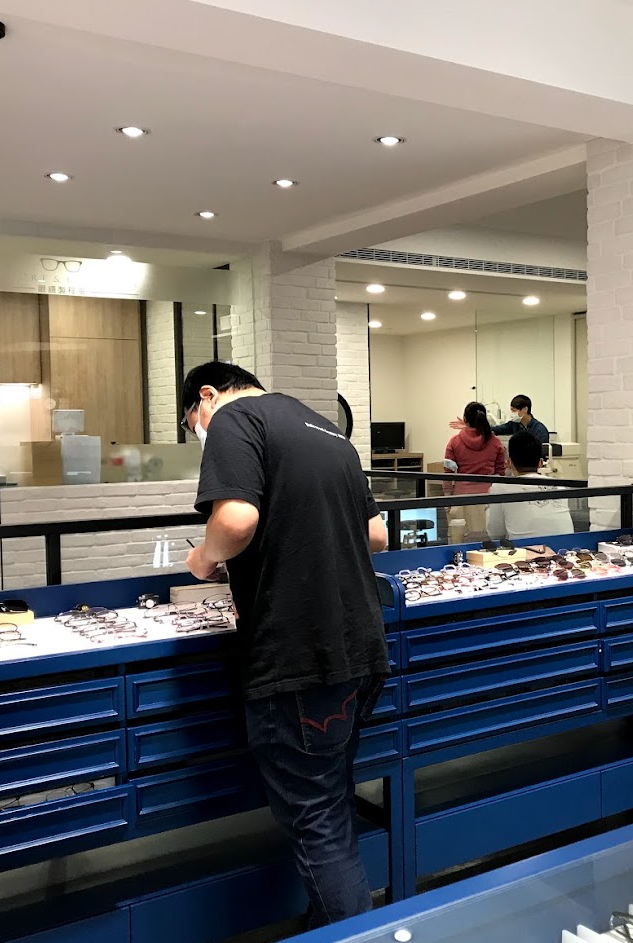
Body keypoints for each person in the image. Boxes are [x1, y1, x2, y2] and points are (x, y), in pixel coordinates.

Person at [181, 362, 388, 928]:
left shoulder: (235, 420)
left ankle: (354, 934)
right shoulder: (324, 428)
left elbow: (236, 521)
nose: (198, 429)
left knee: (318, 825)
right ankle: (331, 923)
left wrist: (202, 558)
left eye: (192, 420)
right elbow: (376, 535)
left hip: (299, 656)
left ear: (206, 396)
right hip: (359, 649)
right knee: (331, 807)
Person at [486, 431, 573, 541]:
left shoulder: (499, 488)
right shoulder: (559, 486)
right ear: (541, 462)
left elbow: (495, 534)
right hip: (567, 548)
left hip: (524, 550)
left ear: (509, 462)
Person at [443, 401, 506, 539]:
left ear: (465, 420)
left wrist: (447, 500)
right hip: (488, 500)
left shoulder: (454, 441)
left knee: (461, 542)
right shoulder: (495, 442)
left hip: (461, 501)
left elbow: (448, 474)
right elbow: (500, 473)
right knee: (489, 543)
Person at [450, 395, 550, 445]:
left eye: (514, 410)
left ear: (525, 409)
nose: (512, 414)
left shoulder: (540, 429)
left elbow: (542, 452)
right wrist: (473, 425)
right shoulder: (514, 424)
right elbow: (495, 429)